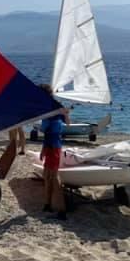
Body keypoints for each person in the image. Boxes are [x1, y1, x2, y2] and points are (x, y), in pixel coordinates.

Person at [38, 85, 71, 220]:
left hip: (54, 146)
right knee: (47, 175)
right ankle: (47, 204)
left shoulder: (53, 107)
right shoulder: (49, 107)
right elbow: (47, 131)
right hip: (49, 145)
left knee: (52, 176)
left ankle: (61, 209)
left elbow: (67, 123)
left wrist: (65, 113)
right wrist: (43, 149)